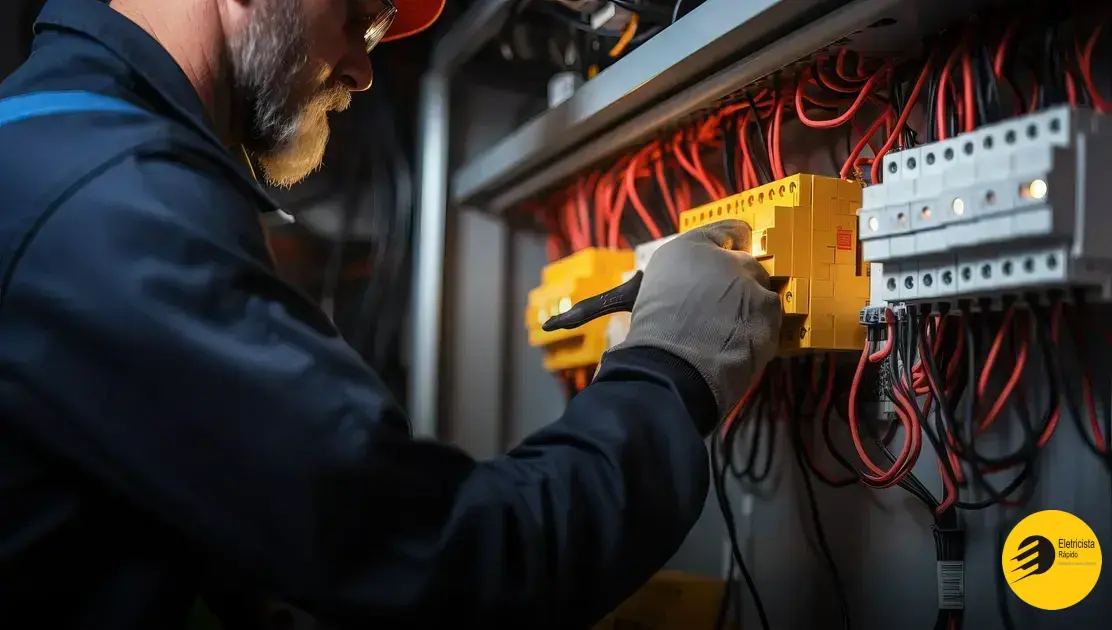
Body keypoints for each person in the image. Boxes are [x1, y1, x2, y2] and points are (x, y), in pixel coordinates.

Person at [0, 0, 782, 628]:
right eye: (360, 16)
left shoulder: (51, 138)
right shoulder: (118, 205)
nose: (365, 68)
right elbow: (450, 564)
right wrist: (667, 373)